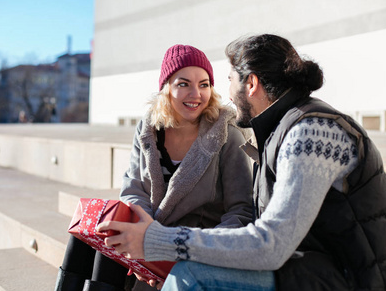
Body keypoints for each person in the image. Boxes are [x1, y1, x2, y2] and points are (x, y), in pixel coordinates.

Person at [98, 34, 386, 290]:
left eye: (227, 81)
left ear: (250, 84)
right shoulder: (285, 128)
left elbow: (270, 244)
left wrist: (160, 242)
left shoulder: (312, 132)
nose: (224, 92)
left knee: (190, 277)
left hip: (356, 279)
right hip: (312, 264)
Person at [54, 44, 254, 291]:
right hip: (150, 236)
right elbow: (133, 189)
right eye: (183, 84)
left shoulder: (226, 135)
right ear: (166, 87)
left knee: (110, 255)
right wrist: (143, 235)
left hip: (193, 246)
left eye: (204, 84)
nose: (196, 94)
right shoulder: (149, 129)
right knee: (92, 237)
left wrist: (166, 247)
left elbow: (241, 212)